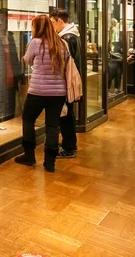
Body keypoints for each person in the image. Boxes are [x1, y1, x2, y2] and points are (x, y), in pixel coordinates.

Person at [15, 15, 68, 172]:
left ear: (37, 28)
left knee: (28, 120)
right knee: (52, 126)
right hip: (58, 92)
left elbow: (27, 60)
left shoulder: (35, 43)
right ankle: (50, 163)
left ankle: (29, 155)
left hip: (37, 91)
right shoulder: (62, 43)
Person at [50, 9, 79, 158]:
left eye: (53, 22)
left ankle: (68, 147)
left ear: (59, 21)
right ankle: (70, 143)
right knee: (68, 113)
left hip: (65, 81)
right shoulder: (72, 35)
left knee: (65, 114)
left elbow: (64, 62)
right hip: (69, 80)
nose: (53, 26)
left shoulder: (66, 38)